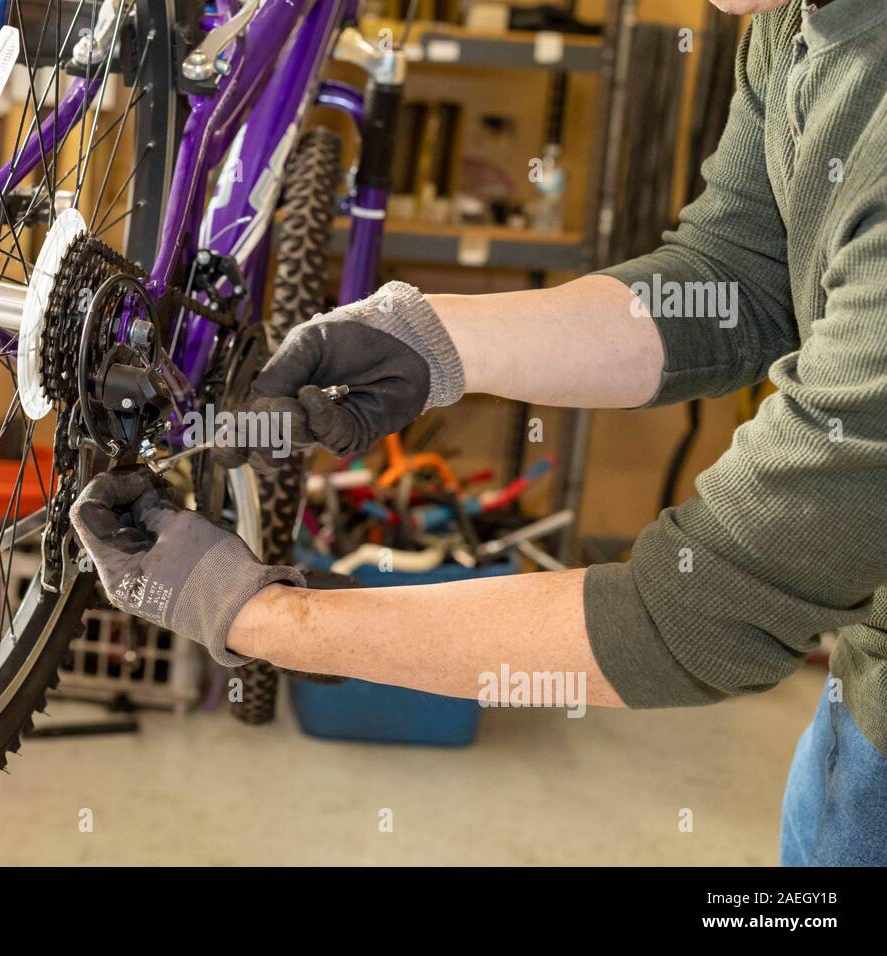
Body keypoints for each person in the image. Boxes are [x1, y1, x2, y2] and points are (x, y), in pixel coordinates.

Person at [71, 0, 887, 865]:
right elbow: (737, 282)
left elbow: (710, 603)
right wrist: (429, 341)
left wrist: (257, 615)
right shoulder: (794, 18)